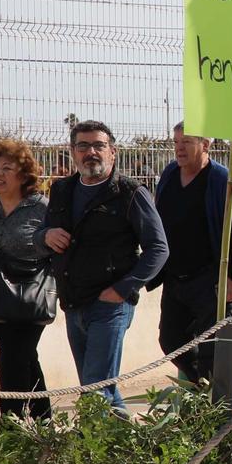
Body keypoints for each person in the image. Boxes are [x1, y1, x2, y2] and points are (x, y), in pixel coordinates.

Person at [44, 121, 169, 412]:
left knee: (95, 388)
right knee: (102, 388)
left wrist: (123, 289)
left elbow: (158, 248)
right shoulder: (61, 190)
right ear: (72, 152)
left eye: (99, 146)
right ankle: (128, 450)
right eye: (83, 146)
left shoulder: (129, 193)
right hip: (73, 302)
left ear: (112, 152)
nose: (91, 152)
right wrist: (45, 235)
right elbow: (44, 233)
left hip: (110, 305)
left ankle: (90, 456)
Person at [151, 125, 232, 386]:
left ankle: (216, 409)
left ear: (205, 145)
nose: (179, 148)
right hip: (175, 277)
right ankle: (201, 385)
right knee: (171, 341)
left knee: (214, 348)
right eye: (175, 142)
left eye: (186, 141)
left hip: (210, 279)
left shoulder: (222, 180)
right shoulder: (170, 174)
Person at [0, 138, 55, 419]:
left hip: (29, 300)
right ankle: (43, 421)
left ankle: (11, 427)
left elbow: (57, 250)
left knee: (12, 362)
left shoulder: (42, 208)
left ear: (24, 174)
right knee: (26, 360)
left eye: (7, 167)